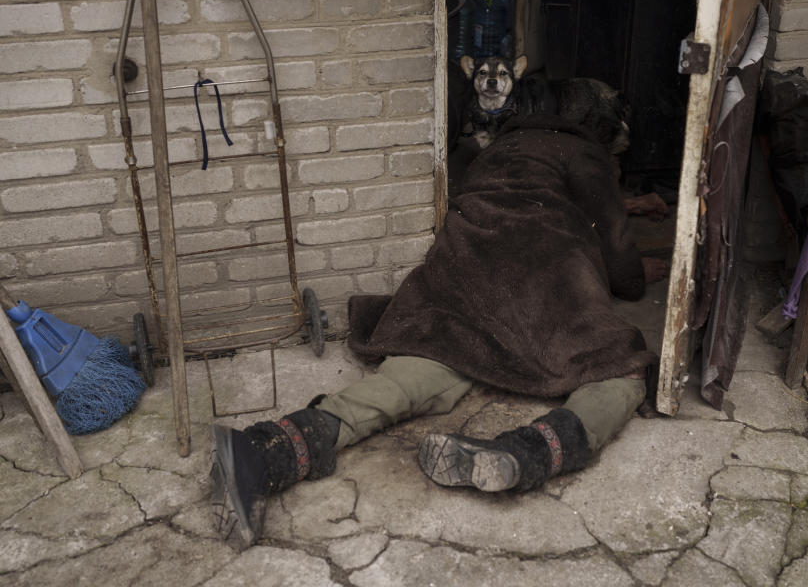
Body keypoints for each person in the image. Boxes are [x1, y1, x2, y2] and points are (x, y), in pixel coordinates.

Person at [209, 114, 670, 549]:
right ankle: (526, 452)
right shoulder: (582, 153)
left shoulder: (492, 149)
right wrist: (630, 276)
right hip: (544, 271)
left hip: (461, 267)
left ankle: (261, 452)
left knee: (427, 363)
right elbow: (614, 238)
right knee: (619, 365)